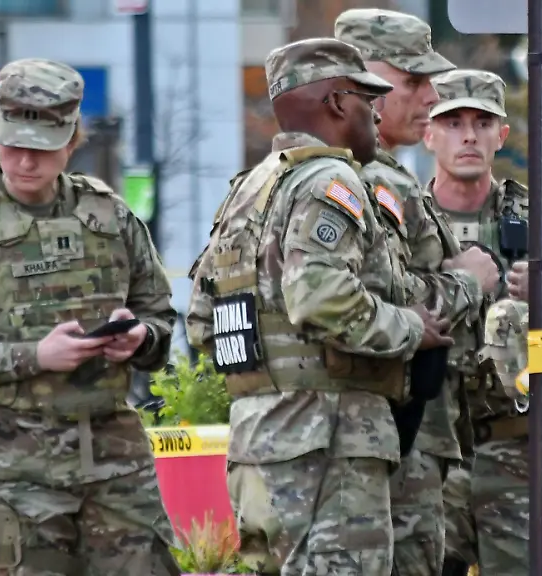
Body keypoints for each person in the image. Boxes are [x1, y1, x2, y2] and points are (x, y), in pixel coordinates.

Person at [185, 38, 456, 576]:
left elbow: (201, 322)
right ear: (336, 103)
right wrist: (411, 327)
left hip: (258, 441)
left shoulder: (248, 191)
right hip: (328, 444)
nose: (374, 112)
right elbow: (322, 298)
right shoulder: (328, 181)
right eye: (364, 98)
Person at [0, 58, 181, 575]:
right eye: (13, 144)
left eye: (41, 148)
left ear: (72, 141)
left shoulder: (110, 216)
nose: (25, 161)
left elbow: (160, 317)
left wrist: (142, 337)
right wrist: (37, 356)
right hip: (12, 475)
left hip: (115, 468)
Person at [335, 10, 501, 575]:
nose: (430, 95)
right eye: (412, 81)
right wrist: (467, 280)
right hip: (396, 430)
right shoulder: (367, 183)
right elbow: (383, 303)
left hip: (405, 428)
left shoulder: (373, 174)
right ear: (365, 81)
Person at [422, 68, 529, 576]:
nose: (468, 135)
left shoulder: (541, 219)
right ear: (428, 134)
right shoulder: (401, 224)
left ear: (501, 135)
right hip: (430, 448)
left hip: (518, 446)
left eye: (483, 122)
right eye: (452, 122)